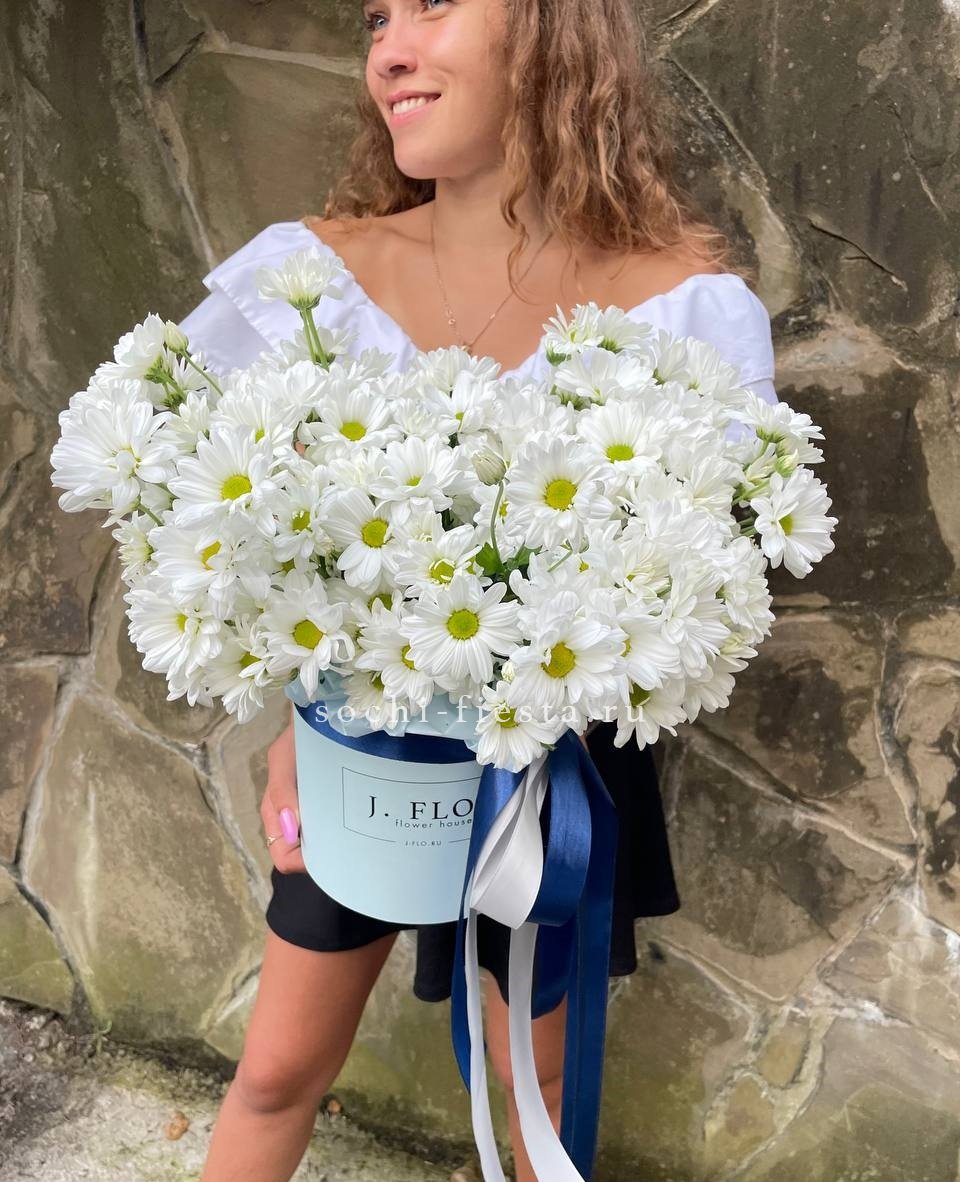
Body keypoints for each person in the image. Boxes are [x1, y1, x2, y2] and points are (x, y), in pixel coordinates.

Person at [182, 0, 778, 1178]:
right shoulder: (311, 284)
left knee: (535, 1097)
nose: (389, 50)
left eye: (432, 6)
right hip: (361, 748)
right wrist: (295, 722)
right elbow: (229, 530)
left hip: (556, 773)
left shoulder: (684, 312)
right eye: (376, 19)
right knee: (274, 1074)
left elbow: (711, 575)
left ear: (554, 32)